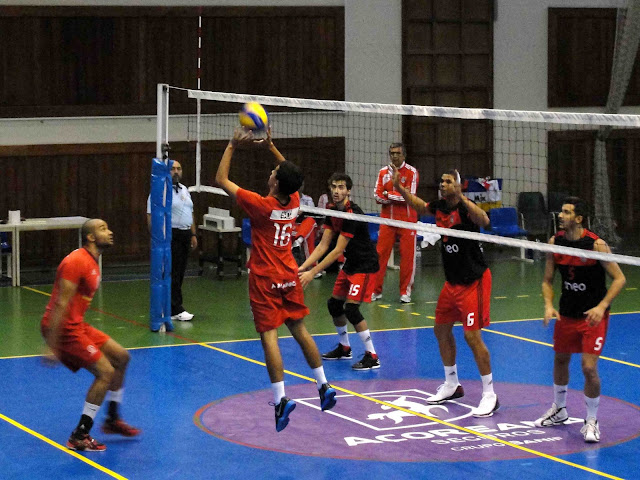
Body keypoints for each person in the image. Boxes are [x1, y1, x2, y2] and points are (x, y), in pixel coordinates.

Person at [215, 127, 336, 432]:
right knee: (299, 329)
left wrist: (232, 145)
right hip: (289, 275)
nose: (271, 171)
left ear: (276, 182)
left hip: (265, 279)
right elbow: (291, 174)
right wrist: (271, 146)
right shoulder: (294, 200)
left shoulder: (261, 205)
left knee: (269, 336)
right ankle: (323, 385)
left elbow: (221, 179)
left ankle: (281, 400)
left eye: (274, 172)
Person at [392, 167, 499, 417]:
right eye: (441, 181)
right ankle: (452, 384)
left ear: (458, 186)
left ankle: (489, 394)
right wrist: (400, 189)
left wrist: (462, 198)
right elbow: (420, 207)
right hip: (452, 283)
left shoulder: (465, 208)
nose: (442, 184)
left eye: (448, 181)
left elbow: (484, 221)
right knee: (440, 330)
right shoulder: (440, 206)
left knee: (472, 337)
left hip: (474, 281)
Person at [41, 219, 140, 452]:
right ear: (91, 237)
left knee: (121, 358)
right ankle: (80, 435)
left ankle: (112, 419)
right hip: (64, 329)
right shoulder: (76, 261)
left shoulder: (93, 261)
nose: (110, 231)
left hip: (77, 324)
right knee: (105, 372)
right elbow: (61, 303)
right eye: (103, 229)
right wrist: (51, 344)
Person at [534, 197, 625, 443]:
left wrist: (602, 306)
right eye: (561, 211)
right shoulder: (556, 242)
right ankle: (559, 409)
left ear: (579, 218)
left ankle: (592, 420)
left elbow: (619, 279)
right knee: (560, 359)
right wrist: (549, 305)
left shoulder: (596, 245)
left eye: (566, 212)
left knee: (588, 367)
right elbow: (547, 280)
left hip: (592, 317)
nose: (560, 216)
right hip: (567, 313)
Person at [299, 173, 381, 370]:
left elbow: (336, 251)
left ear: (348, 191)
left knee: (351, 309)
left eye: (341, 187)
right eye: (334, 187)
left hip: (365, 265)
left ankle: (372, 355)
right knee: (334, 304)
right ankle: (345, 348)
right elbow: (323, 245)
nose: (336, 191)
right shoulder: (332, 210)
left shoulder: (352, 213)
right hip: (351, 263)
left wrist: (312, 273)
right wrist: (302, 267)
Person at [146, 160, 197, 322]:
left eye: (179, 169)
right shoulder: (159, 191)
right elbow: (151, 215)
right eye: (173, 169)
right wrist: (157, 237)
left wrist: (193, 234)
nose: (176, 172)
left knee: (180, 272)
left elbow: (190, 211)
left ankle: (172, 306)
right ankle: (175, 308)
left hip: (184, 234)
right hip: (170, 234)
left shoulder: (185, 190)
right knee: (172, 272)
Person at [372, 143, 419, 303]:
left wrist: (388, 194)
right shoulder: (383, 172)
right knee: (380, 255)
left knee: (407, 257)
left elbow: (410, 197)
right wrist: (395, 195)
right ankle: (375, 291)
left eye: (398, 153)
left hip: (407, 221)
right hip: (387, 220)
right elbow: (377, 196)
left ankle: (405, 292)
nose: (394, 156)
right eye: (392, 153)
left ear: (404, 155)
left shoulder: (412, 172)